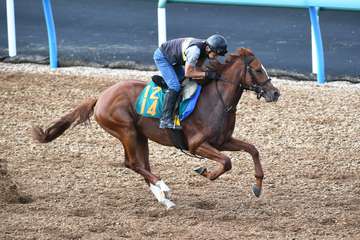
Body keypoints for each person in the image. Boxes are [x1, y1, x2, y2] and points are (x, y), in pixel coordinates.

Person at [153, 34, 228, 129]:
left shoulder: (204, 49)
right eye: (216, 54)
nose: (216, 57)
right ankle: (165, 120)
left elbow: (198, 68)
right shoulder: (195, 51)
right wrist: (207, 74)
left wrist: (207, 75)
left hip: (175, 58)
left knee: (183, 82)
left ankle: (166, 82)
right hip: (163, 57)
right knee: (175, 86)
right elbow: (188, 73)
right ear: (208, 48)